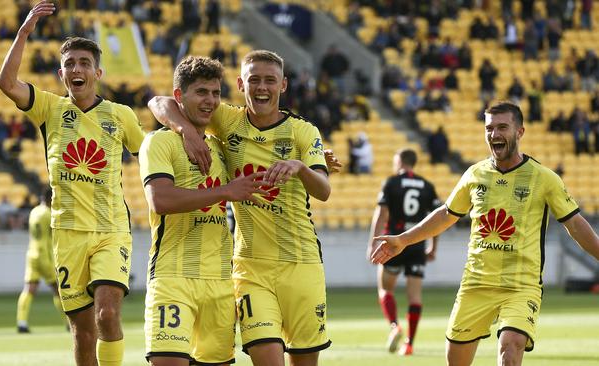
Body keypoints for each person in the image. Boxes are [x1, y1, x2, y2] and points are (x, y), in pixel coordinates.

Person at [370, 102, 599, 366]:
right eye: (489, 128)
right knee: (455, 361)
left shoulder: (544, 178)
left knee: (509, 349)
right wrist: (403, 239)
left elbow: (575, 225)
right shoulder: (474, 174)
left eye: (502, 127)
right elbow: (446, 214)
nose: (494, 134)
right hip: (475, 284)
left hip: (521, 286)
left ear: (520, 131)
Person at [149, 50, 332, 366]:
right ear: (241, 84)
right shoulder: (226, 119)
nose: (262, 88)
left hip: (301, 263)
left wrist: (302, 168)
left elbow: (324, 190)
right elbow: (160, 103)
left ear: (283, 85)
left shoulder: (303, 131)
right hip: (250, 267)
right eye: (254, 80)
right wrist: (187, 132)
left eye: (270, 81)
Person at [0, 2, 145, 365]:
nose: (77, 69)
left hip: (111, 228)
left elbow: (149, 156)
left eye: (84, 63)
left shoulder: (120, 115)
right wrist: (24, 33)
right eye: (70, 64)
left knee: (107, 315)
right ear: (61, 73)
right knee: (82, 333)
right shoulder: (48, 108)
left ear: (98, 72)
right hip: (67, 234)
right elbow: (6, 83)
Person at [140, 55, 266, 366]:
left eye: (215, 93)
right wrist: (225, 191)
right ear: (180, 96)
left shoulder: (222, 147)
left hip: (221, 282)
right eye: (201, 92)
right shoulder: (159, 143)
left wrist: (310, 165)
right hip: (173, 278)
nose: (210, 101)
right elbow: (161, 200)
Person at [367, 149, 440, 356]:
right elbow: (437, 219)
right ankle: (409, 344)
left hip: (394, 243)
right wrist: (433, 247)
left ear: (399, 162)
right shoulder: (427, 185)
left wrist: (373, 244)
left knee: (385, 289)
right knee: (415, 296)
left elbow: (381, 214)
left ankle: (394, 326)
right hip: (416, 244)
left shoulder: (391, 183)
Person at [16, 187, 68, 333]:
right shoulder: (48, 214)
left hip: (32, 252)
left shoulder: (34, 211)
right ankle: (68, 323)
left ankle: (22, 322)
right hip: (45, 255)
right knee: (58, 290)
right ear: (50, 198)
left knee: (29, 288)